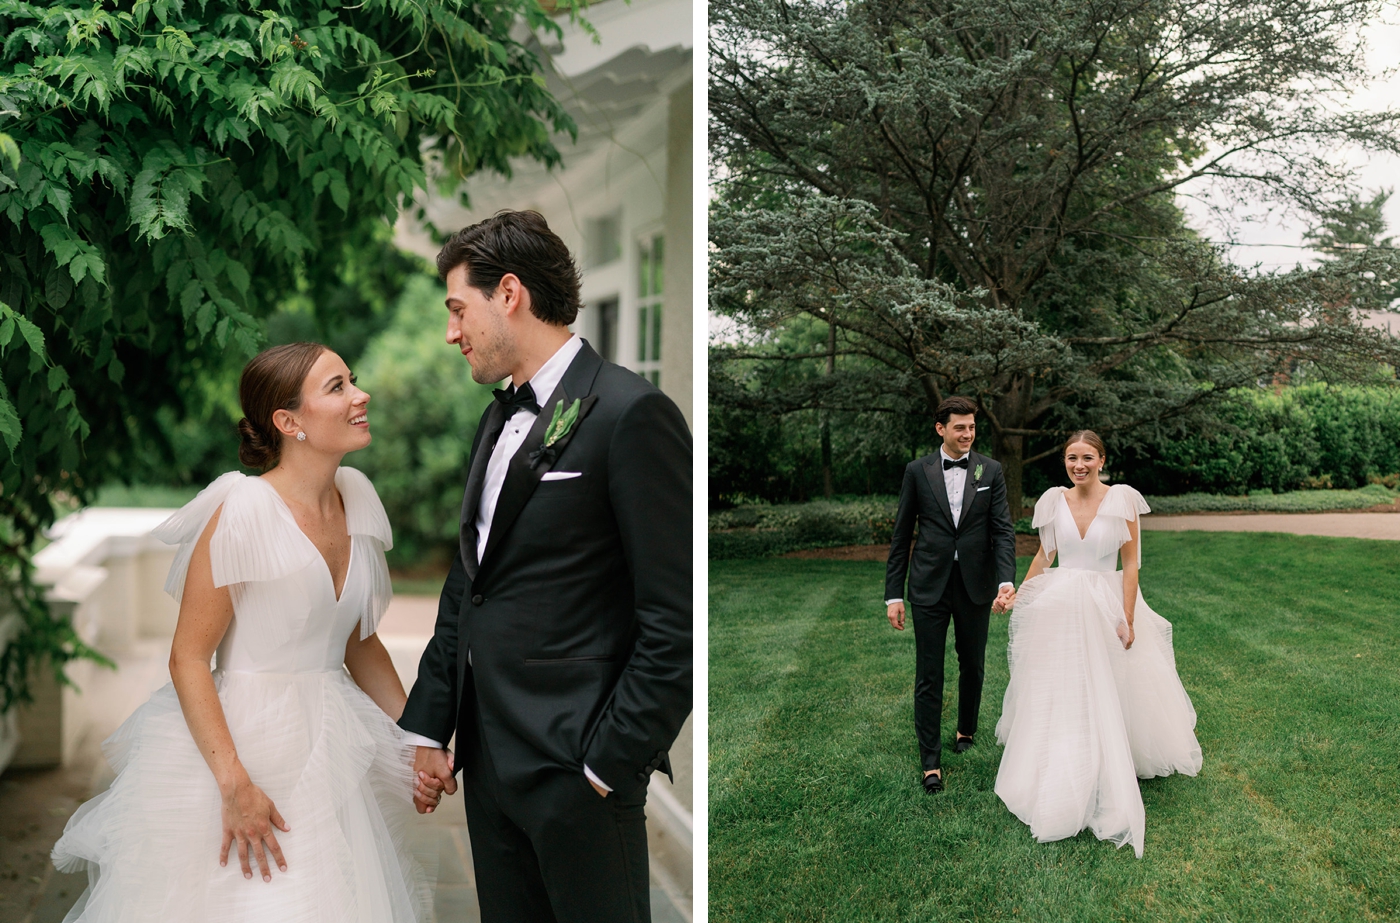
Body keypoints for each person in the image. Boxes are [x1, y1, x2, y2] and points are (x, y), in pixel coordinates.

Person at [51, 343, 435, 920]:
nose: (361, 395)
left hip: (332, 746)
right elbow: (187, 658)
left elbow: (358, 639)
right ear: (288, 422)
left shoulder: (356, 495)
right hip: (246, 750)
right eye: (337, 387)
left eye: (351, 380)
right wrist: (235, 787)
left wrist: (416, 741)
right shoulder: (243, 508)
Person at [397, 210, 692, 923]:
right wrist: (432, 726)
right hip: (490, 762)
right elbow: (473, 580)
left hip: (577, 769)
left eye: (457, 309)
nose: (450, 332)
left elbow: (675, 621)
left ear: (509, 293)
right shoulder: (496, 418)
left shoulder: (632, 414)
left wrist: (605, 764)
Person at [994, 431, 1202, 858]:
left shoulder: (1123, 500)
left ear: (1102, 460)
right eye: (1072, 458)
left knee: (1113, 682)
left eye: (1087, 457)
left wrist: (1126, 619)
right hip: (1063, 603)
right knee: (1065, 684)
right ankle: (1067, 756)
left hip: (1107, 603)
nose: (1079, 465)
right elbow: (1043, 556)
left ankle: (1112, 752)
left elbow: (1130, 566)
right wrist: (1019, 592)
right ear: (1065, 463)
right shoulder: (1053, 500)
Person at [883, 396, 1018, 793]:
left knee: (972, 664)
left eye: (972, 427)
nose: (968, 434)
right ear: (940, 429)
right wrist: (894, 594)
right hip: (929, 583)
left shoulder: (989, 469)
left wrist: (1005, 579)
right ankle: (930, 763)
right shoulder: (917, 471)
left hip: (976, 582)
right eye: (960, 427)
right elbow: (901, 534)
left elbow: (1003, 531)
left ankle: (966, 730)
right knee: (929, 672)